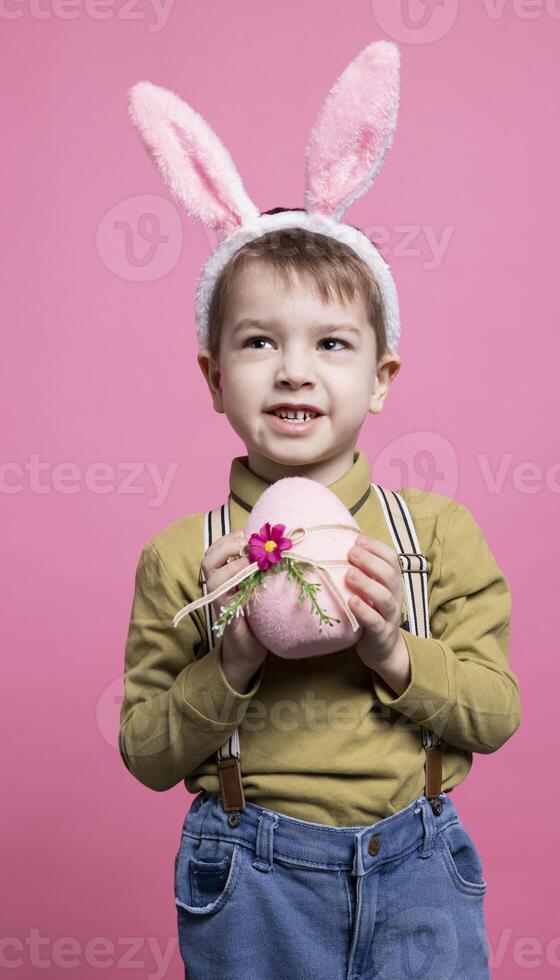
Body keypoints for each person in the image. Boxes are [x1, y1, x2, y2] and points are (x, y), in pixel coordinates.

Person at [120, 42, 522, 980]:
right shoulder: (184, 557)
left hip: (416, 863)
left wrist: (390, 650)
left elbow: (494, 714)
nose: (296, 369)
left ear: (379, 380)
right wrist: (233, 659)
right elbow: (144, 749)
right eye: (259, 341)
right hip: (249, 874)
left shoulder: (435, 538)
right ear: (216, 377)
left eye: (332, 343)